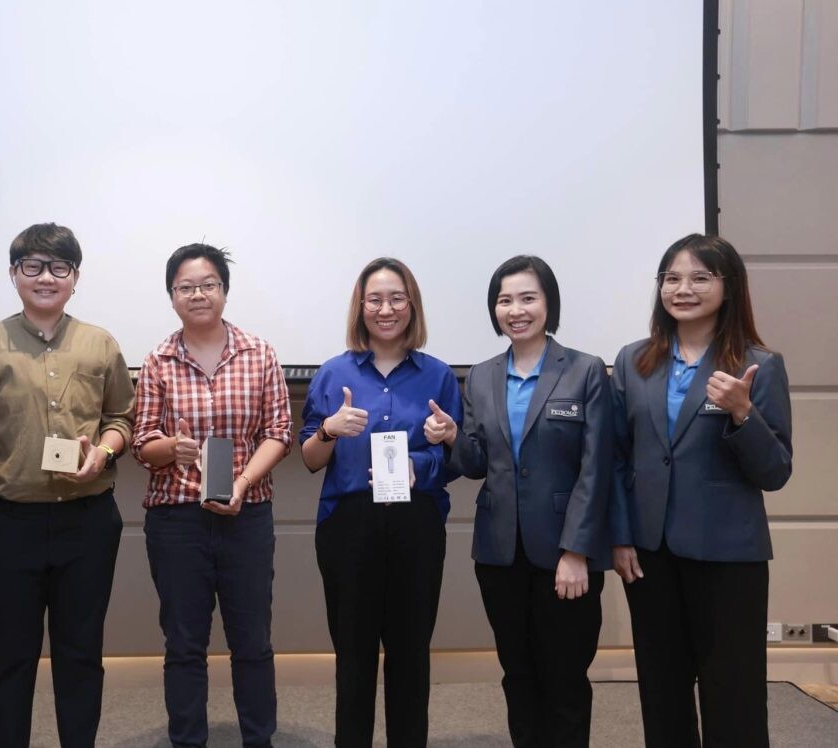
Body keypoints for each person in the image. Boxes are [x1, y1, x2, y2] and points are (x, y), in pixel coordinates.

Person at [0, 223, 135, 748]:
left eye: (59, 268)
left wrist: (107, 450)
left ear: (75, 278)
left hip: (88, 522)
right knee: (11, 657)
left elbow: (123, 418)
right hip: (8, 523)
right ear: (13, 274)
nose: (45, 277)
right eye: (33, 266)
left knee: (80, 656)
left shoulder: (100, 343)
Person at [610, 234, 792, 748]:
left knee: (732, 695)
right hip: (650, 554)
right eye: (671, 278)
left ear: (728, 287)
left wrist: (742, 413)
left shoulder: (758, 363)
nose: (682, 288)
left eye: (698, 278)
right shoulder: (633, 360)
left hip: (728, 555)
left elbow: (776, 470)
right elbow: (618, 458)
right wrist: (620, 537)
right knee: (662, 694)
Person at [425, 255, 611, 747]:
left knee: (565, 678)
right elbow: (478, 463)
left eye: (528, 297)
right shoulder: (482, 376)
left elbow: (597, 469)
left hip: (565, 554)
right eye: (504, 300)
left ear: (549, 303)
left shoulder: (586, 371)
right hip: (499, 551)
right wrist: (450, 438)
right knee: (518, 673)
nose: (516, 309)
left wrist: (577, 552)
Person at [132, 243, 292, 748]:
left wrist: (243, 483)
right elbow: (141, 443)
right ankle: (187, 740)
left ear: (224, 290)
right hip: (177, 519)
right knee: (183, 644)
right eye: (186, 287)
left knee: (253, 643)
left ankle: (258, 739)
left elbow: (279, 432)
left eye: (207, 285)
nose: (197, 294)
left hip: (247, 515)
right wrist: (170, 448)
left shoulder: (259, 352)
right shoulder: (157, 359)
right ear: (172, 296)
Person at [299, 257, 461, 747]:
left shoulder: (438, 376)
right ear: (360, 306)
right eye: (374, 299)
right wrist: (329, 429)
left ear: (411, 305)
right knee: (353, 655)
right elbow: (308, 458)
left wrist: (426, 459)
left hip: (417, 523)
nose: (385, 309)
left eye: (396, 298)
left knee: (412, 653)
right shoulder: (333, 373)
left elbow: (456, 460)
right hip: (349, 526)